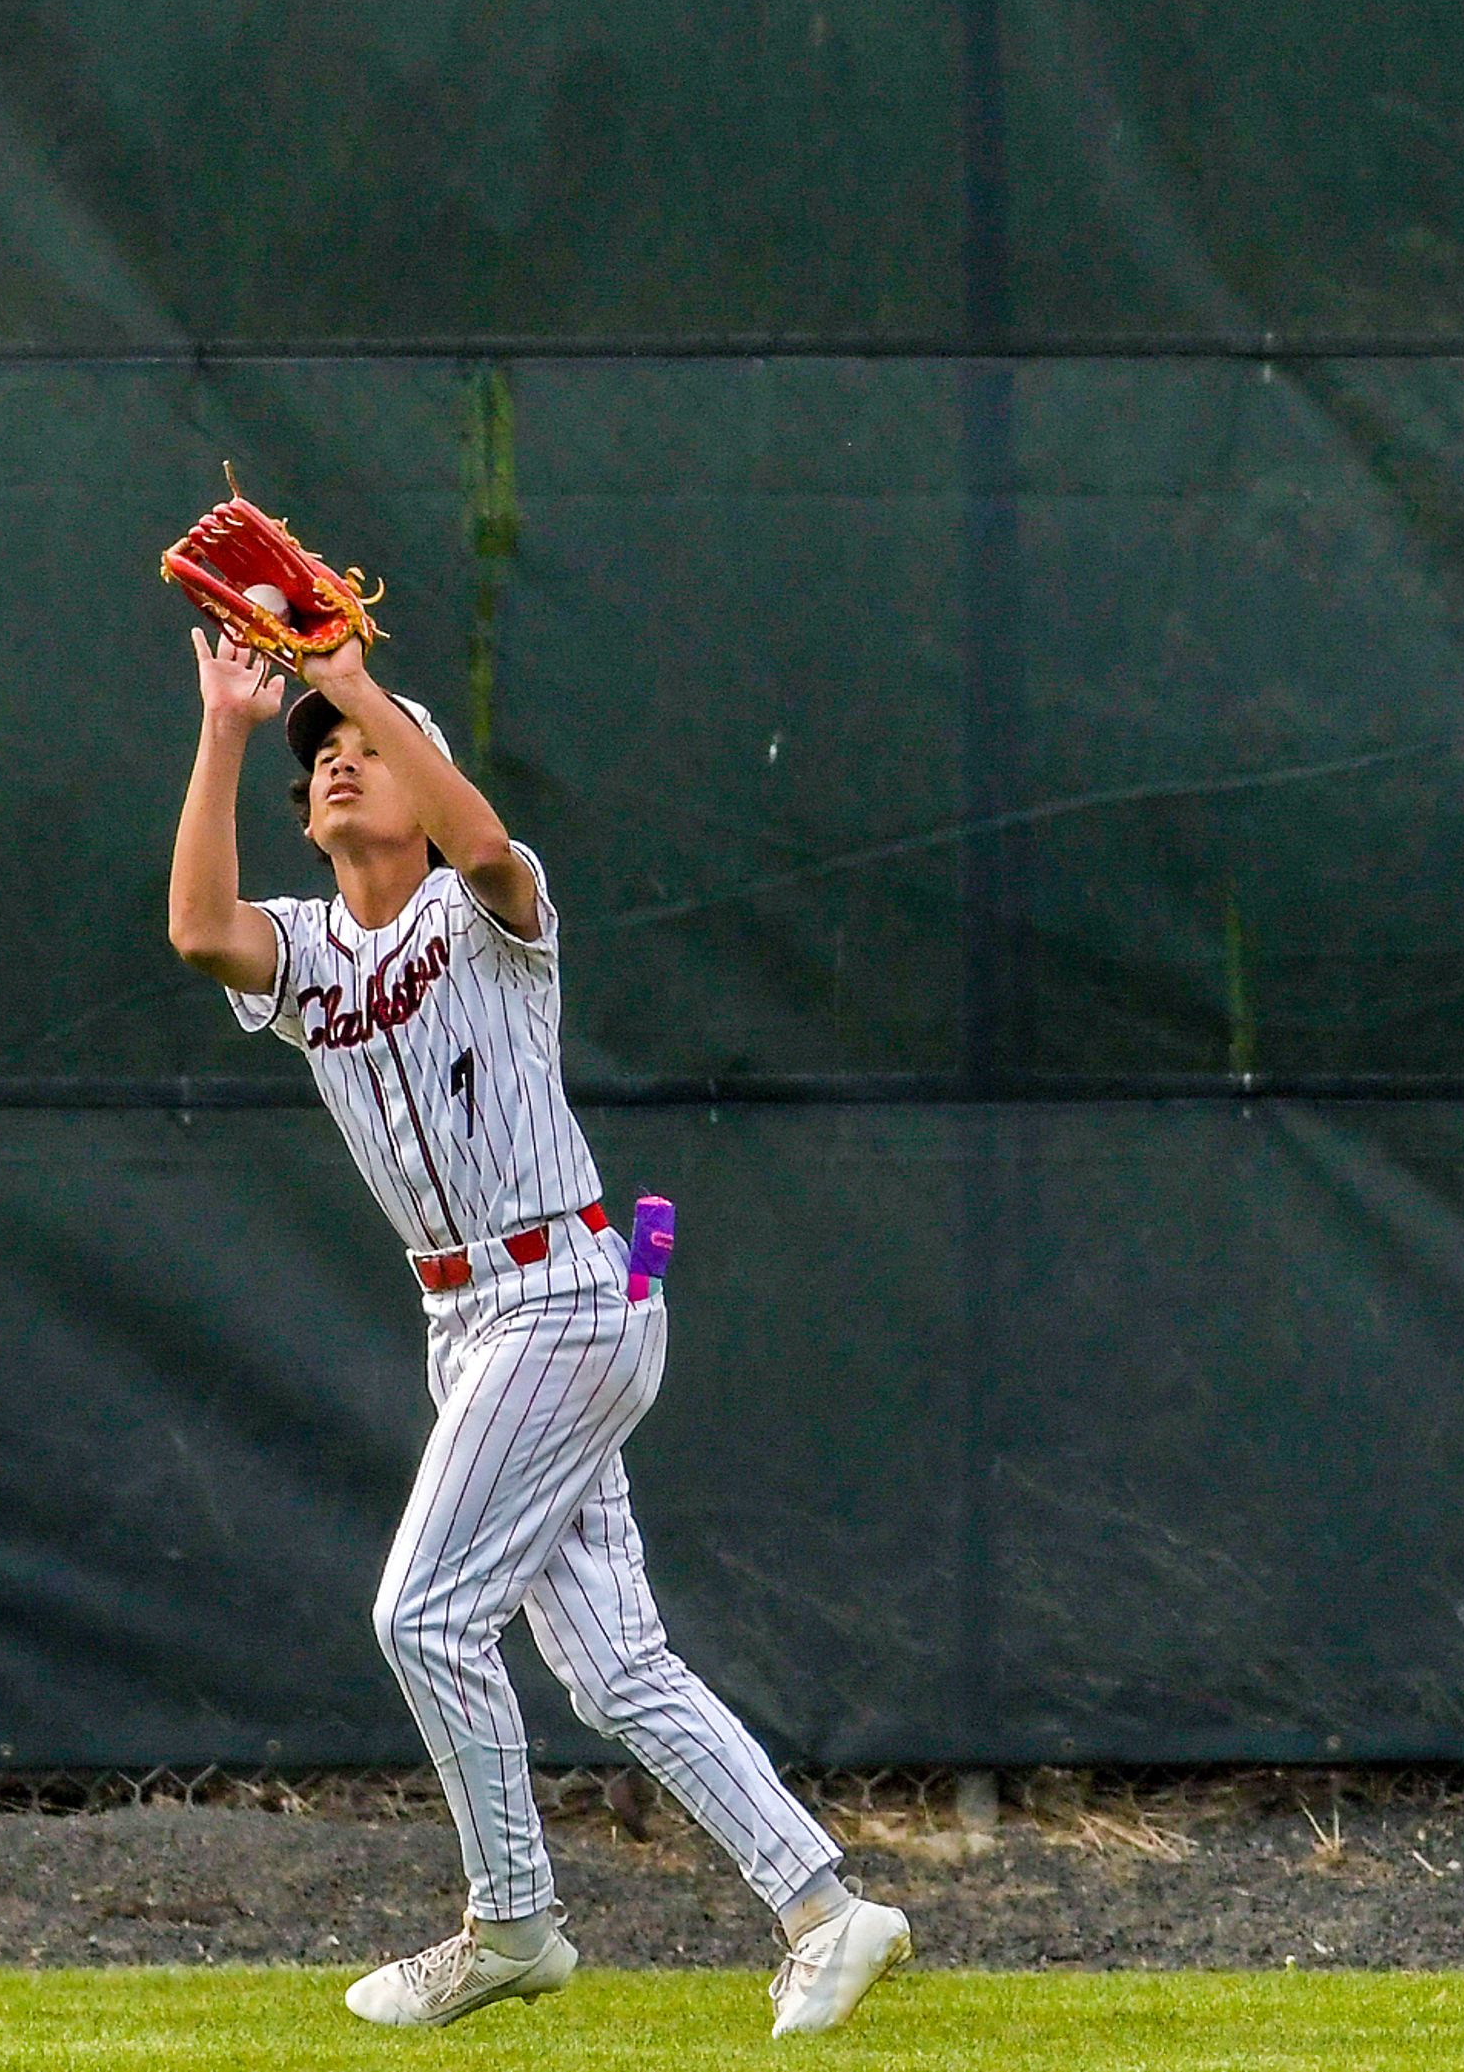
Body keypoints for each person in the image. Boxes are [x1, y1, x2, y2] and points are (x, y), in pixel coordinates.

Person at [166, 624, 912, 2037]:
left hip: (567, 1287)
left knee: (421, 1611)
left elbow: (485, 835)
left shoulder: (491, 912)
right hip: (472, 1316)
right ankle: (826, 1906)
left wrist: (349, 679)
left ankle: (510, 1920)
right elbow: (202, 929)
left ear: (423, 768)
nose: (335, 764)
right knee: (617, 1664)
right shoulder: (315, 952)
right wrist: (228, 723)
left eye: (364, 749)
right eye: (320, 757)